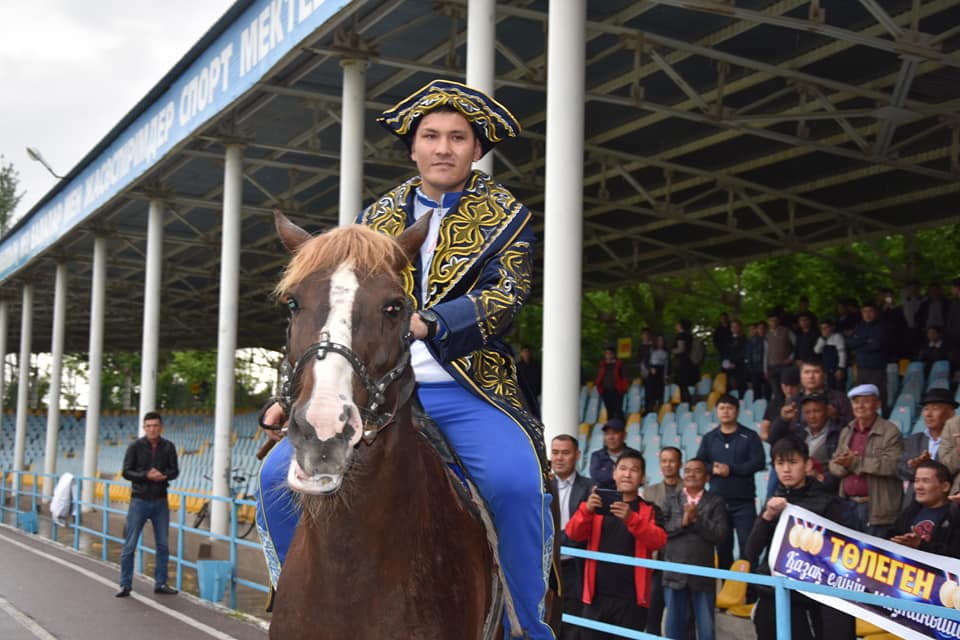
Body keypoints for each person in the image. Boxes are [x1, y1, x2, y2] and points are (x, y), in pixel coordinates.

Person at [258, 79, 555, 639]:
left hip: (470, 388)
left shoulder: (507, 216)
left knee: (517, 486)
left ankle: (525, 627)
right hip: (377, 388)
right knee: (275, 478)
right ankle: (291, 598)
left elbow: (505, 295)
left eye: (457, 138)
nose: (443, 148)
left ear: (476, 149)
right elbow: (332, 316)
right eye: (431, 136)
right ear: (413, 147)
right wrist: (291, 396)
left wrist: (431, 322)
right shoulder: (376, 216)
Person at [745, 437, 855, 640]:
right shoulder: (774, 502)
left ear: (807, 464)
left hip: (808, 597)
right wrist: (767, 517)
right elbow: (751, 551)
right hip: (773, 591)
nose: (786, 469)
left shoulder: (827, 502)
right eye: (780, 463)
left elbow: (838, 556)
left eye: (792, 462)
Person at [565, 450, 666, 639]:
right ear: (614, 473)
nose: (627, 474)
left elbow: (658, 541)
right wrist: (586, 510)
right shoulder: (594, 506)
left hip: (632, 601)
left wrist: (631, 519)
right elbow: (573, 534)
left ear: (643, 477)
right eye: (623, 468)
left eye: (634, 470)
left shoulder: (650, 510)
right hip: (594, 597)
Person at [695, 394, 766, 572]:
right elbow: (700, 463)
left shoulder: (749, 436)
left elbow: (758, 462)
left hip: (744, 501)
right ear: (716, 412)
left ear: (737, 411)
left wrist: (731, 469)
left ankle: (751, 591)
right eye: (722, 408)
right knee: (723, 546)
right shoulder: (709, 438)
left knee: (748, 546)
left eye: (730, 408)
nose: (725, 411)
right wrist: (713, 469)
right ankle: (728, 588)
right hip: (717, 501)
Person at [661, 458, 728, 640]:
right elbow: (661, 530)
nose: (691, 474)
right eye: (688, 470)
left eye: (697, 471)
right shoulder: (671, 499)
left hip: (702, 574)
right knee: (674, 629)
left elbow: (720, 535)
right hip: (674, 573)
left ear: (707, 477)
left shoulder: (716, 501)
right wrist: (682, 522)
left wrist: (697, 519)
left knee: (706, 630)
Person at [116, 411, 179, 597]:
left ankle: (161, 583)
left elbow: (174, 471)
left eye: (156, 426)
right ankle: (125, 584)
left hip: (160, 501)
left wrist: (164, 475)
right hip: (139, 501)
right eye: (149, 426)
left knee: (163, 545)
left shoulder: (168, 447)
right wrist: (146, 475)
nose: (152, 429)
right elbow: (126, 472)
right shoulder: (135, 446)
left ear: (161, 427)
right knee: (130, 544)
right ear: (144, 428)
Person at [828, 384, 903, 538]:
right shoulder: (847, 430)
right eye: (856, 402)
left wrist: (855, 463)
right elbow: (833, 464)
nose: (860, 406)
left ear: (878, 404)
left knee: (875, 557)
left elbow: (894, 465)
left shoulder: (890, 431)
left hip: (876, 509)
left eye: (866, 401)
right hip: (848, 505)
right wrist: (843, 465)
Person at [551, 435, 595, 640]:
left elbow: (583, 531)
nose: (559, 458)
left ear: (577, 455)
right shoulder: (540, 485)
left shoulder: (589, 488)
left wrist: (560, 539)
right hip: (546, 566)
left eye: (565, 453)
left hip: (575, 567)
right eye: (555, 452)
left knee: (573, 624)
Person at [642, 446, 683, 637]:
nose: (668, 465)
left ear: (680, 463)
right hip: (656, 560)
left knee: (681, 616)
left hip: (680, 559)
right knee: (653, 613)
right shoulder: (649, 492)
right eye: (664, 461)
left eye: (672, 461)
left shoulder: (689, 489)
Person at [770, 392, 843, 493]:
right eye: (807, 412)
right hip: (798, 490)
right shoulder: (798, 432)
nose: (812, 416)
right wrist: (783, 420)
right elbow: (774, 441)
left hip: (824, 492)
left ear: (827, 411)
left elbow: (841, 468)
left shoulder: (838, 434)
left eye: (816, 411)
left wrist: (820, 477)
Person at [898, 388, 957, 505]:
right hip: (914, 504)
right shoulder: (914, 439)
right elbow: (900, 468)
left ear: (951, 413)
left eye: (935, 409)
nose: (928, 414)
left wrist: (930, 467)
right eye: (926, 409)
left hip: (947, 505)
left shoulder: (956, 440)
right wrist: (913, 466)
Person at [890, 460, 960, 557]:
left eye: (925, 481)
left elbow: (954, 555)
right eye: (916, 481)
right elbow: (891, 536)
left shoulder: (955, 516)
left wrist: (920, 545)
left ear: (945, 486)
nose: (918, 487)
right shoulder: (912, 510)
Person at [589, 418, 639, 490]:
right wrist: (623, 476)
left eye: (615, 433)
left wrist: (607, 474)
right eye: (607, 433)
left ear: (624, 435)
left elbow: (637, 478)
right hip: (604, 496)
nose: (610, 437)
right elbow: (596, 476)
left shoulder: (633, 455)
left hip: (627, 496)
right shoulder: (597, 455)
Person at [596, 346, 628, 423]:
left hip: (617, 391)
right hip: (606, 391)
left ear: (614, 355)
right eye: (606, 354)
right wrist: (600, 389)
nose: (608, 355)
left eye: (610, 354)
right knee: (609, 410)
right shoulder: (603, 365)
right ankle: (610, 428)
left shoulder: (619, 364)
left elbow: (624, 377)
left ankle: (621, 427)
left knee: (618, 410)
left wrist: (622, 389)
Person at [813, 318, 847, 391]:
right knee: (828, 389)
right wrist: (824, 338)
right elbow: (817, 351)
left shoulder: (838, 337)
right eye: (822, 328)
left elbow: (842, 353)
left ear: (832, 327)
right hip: (826, 368)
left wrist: (841, 368)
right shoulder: (821, 338)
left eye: (826, 328)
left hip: (836, 368)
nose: (824, 330)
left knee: (838, 389)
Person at [672, 320, 699, 405]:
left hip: (682, 364)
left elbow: (681, 349)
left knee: (682, 386)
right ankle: (687, 403)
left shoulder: (681, 336)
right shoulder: (689, 336)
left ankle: (686, 403)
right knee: (684, 386)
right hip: (687, 363)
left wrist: (673, 350)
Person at [643, 335, 669, 415]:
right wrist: (650, 368)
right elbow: (645, 361)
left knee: (660, 392)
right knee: (650, 392)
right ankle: (648, 410)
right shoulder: (651, 350)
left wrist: (666, 376)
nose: (660, 342)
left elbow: (667, 365)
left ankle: (659, 410)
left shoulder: (666, 352)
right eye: (659, 340)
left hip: (661, 371)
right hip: (652, 370)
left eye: (662, 341)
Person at [517, 345, 543, 418]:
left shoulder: (537, 365)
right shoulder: (518, 366)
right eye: (524, 352)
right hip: (523, 395)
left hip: (536, 394)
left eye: (528, 352)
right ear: (521, 354)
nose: (526, 354)